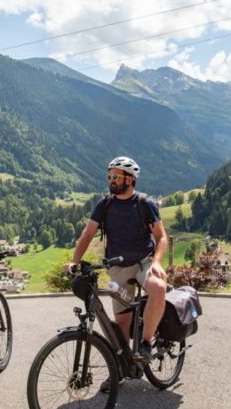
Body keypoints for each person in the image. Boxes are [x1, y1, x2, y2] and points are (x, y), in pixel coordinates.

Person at [65, 156, 168, 366]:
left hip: (143, 263)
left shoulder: (144, 204)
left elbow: (161, 237)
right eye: (109, 176)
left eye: (115, 176)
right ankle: (119, 373)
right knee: (121, 325)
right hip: (118, 270)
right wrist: (74, 261)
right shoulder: (105, 204)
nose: (111, 180)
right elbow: (87, 233)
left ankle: (146, 343)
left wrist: (156, 262)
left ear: (129, 179)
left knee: (158, 287)